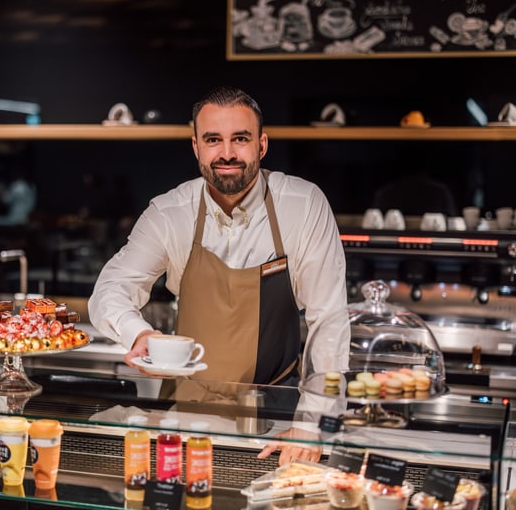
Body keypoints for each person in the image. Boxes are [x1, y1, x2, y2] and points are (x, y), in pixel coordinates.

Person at [88, 86, 350, 463]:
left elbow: (329, 319)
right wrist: (139, 334)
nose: (227, 153)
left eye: (240, 139)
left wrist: (312, 422)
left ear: (261, 145)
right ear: (196, 147)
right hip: (186, 414)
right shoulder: (169, 212)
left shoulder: (304, 204)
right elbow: (111, 290)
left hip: (278, 417)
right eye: (213, 140)